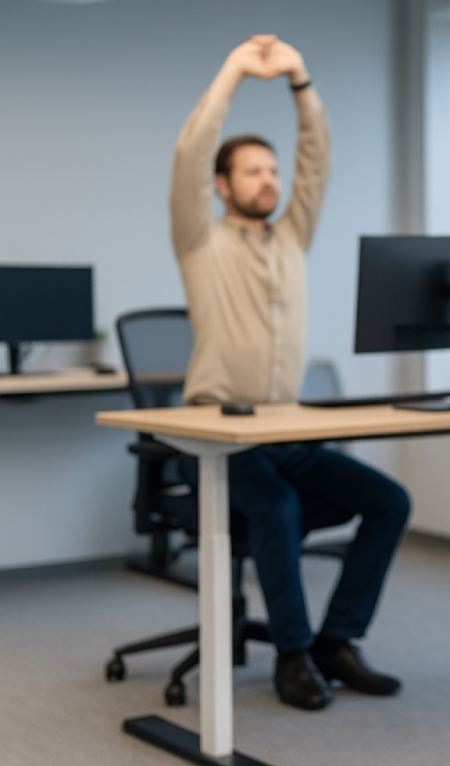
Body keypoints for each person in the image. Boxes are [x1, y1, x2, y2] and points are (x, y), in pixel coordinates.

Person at [170, 35, 410, 711]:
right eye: (252, 172)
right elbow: (191, 151)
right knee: (276, 510)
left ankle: (336, 640)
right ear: (221, 186)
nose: (269, 181)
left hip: (286, 432)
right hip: (217, 439)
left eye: (271, 172)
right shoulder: (199, 240)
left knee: (389, 501)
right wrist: (235, 72)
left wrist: (300, 80)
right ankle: (293, 654)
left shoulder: (291, 237)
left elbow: (317, 162)